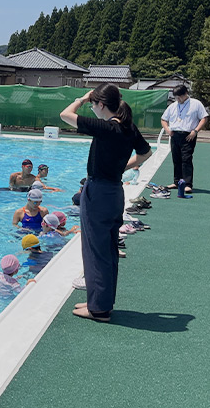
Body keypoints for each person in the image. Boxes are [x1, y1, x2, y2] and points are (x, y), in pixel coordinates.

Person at [60, 84, 152, 322]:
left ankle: (99, 309)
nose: (92, 108)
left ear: (101, 104)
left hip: (98, 192)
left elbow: (65, 115)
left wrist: (82, 98)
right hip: (114, 191)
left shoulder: (107, 127)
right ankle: (100, 301)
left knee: (95, 249)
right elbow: (146, 153)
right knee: (107, 248)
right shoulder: (128, 127)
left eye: (93, 104)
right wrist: (122, 167)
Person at [160, 84, 209, 194]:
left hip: (188, 135)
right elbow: (163, 119)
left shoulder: (196, 104)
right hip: (175, 134)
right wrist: (168, 130)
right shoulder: (173, 106)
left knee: (186, 159)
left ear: (186, 94)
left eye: (180, 97)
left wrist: (195, 131)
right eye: (176, 97)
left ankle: (187, 184)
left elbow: (204, 118)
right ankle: (177, 182)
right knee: (176, 159)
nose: (178, 99)